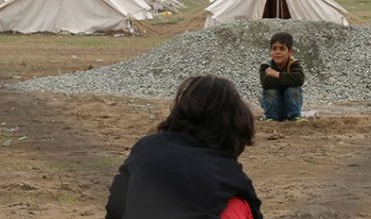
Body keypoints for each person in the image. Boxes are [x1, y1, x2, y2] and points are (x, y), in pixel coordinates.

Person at [105, 75, 263, 219]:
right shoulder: (229, 174)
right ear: (234, 129)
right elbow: (255, 211)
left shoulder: (145, 147)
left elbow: (115, 207)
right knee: (238, 204)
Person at [259, 32, 305, 122]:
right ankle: (270, 117)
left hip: (291, 107)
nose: (277, 52)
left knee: (293, 90)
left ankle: (295, 116)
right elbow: (266, 83)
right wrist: (288, 80)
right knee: (270, 91)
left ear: (290, 52)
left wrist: (277, 74)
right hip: (273, 107)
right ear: (270, 51)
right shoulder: (266, 66)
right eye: (274, 49)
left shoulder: (294, 64)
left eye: (282, 49)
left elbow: (299, 79)